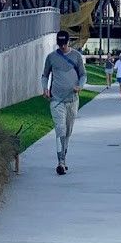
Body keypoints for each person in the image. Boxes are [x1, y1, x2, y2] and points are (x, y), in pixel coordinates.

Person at [40, 29, 87, 176]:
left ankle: (64, 159)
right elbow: (45, 75)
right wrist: (45, 89)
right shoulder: (51, 57)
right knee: (60, 130)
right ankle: (60, 162)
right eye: (59, 44)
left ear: (68, 42)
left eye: (64, 44)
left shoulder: (77, 56)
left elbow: (83, 75)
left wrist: (80, 86)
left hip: (72, 100)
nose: (62, 47)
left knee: (68, 131)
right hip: (56, 100)